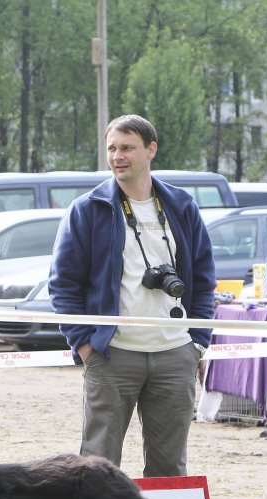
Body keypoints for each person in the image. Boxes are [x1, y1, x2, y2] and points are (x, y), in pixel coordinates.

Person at [48, 114, 215, 477]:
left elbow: (203, 279)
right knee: (97, 465)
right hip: (112, 356)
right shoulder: (87, 209)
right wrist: (84, 345)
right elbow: (63, 284)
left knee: (169, 467)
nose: (117, 156)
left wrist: (197, 343)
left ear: (150, 150)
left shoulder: (182, 206)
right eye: (111, 148)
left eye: (127, 148)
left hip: (174, 354)